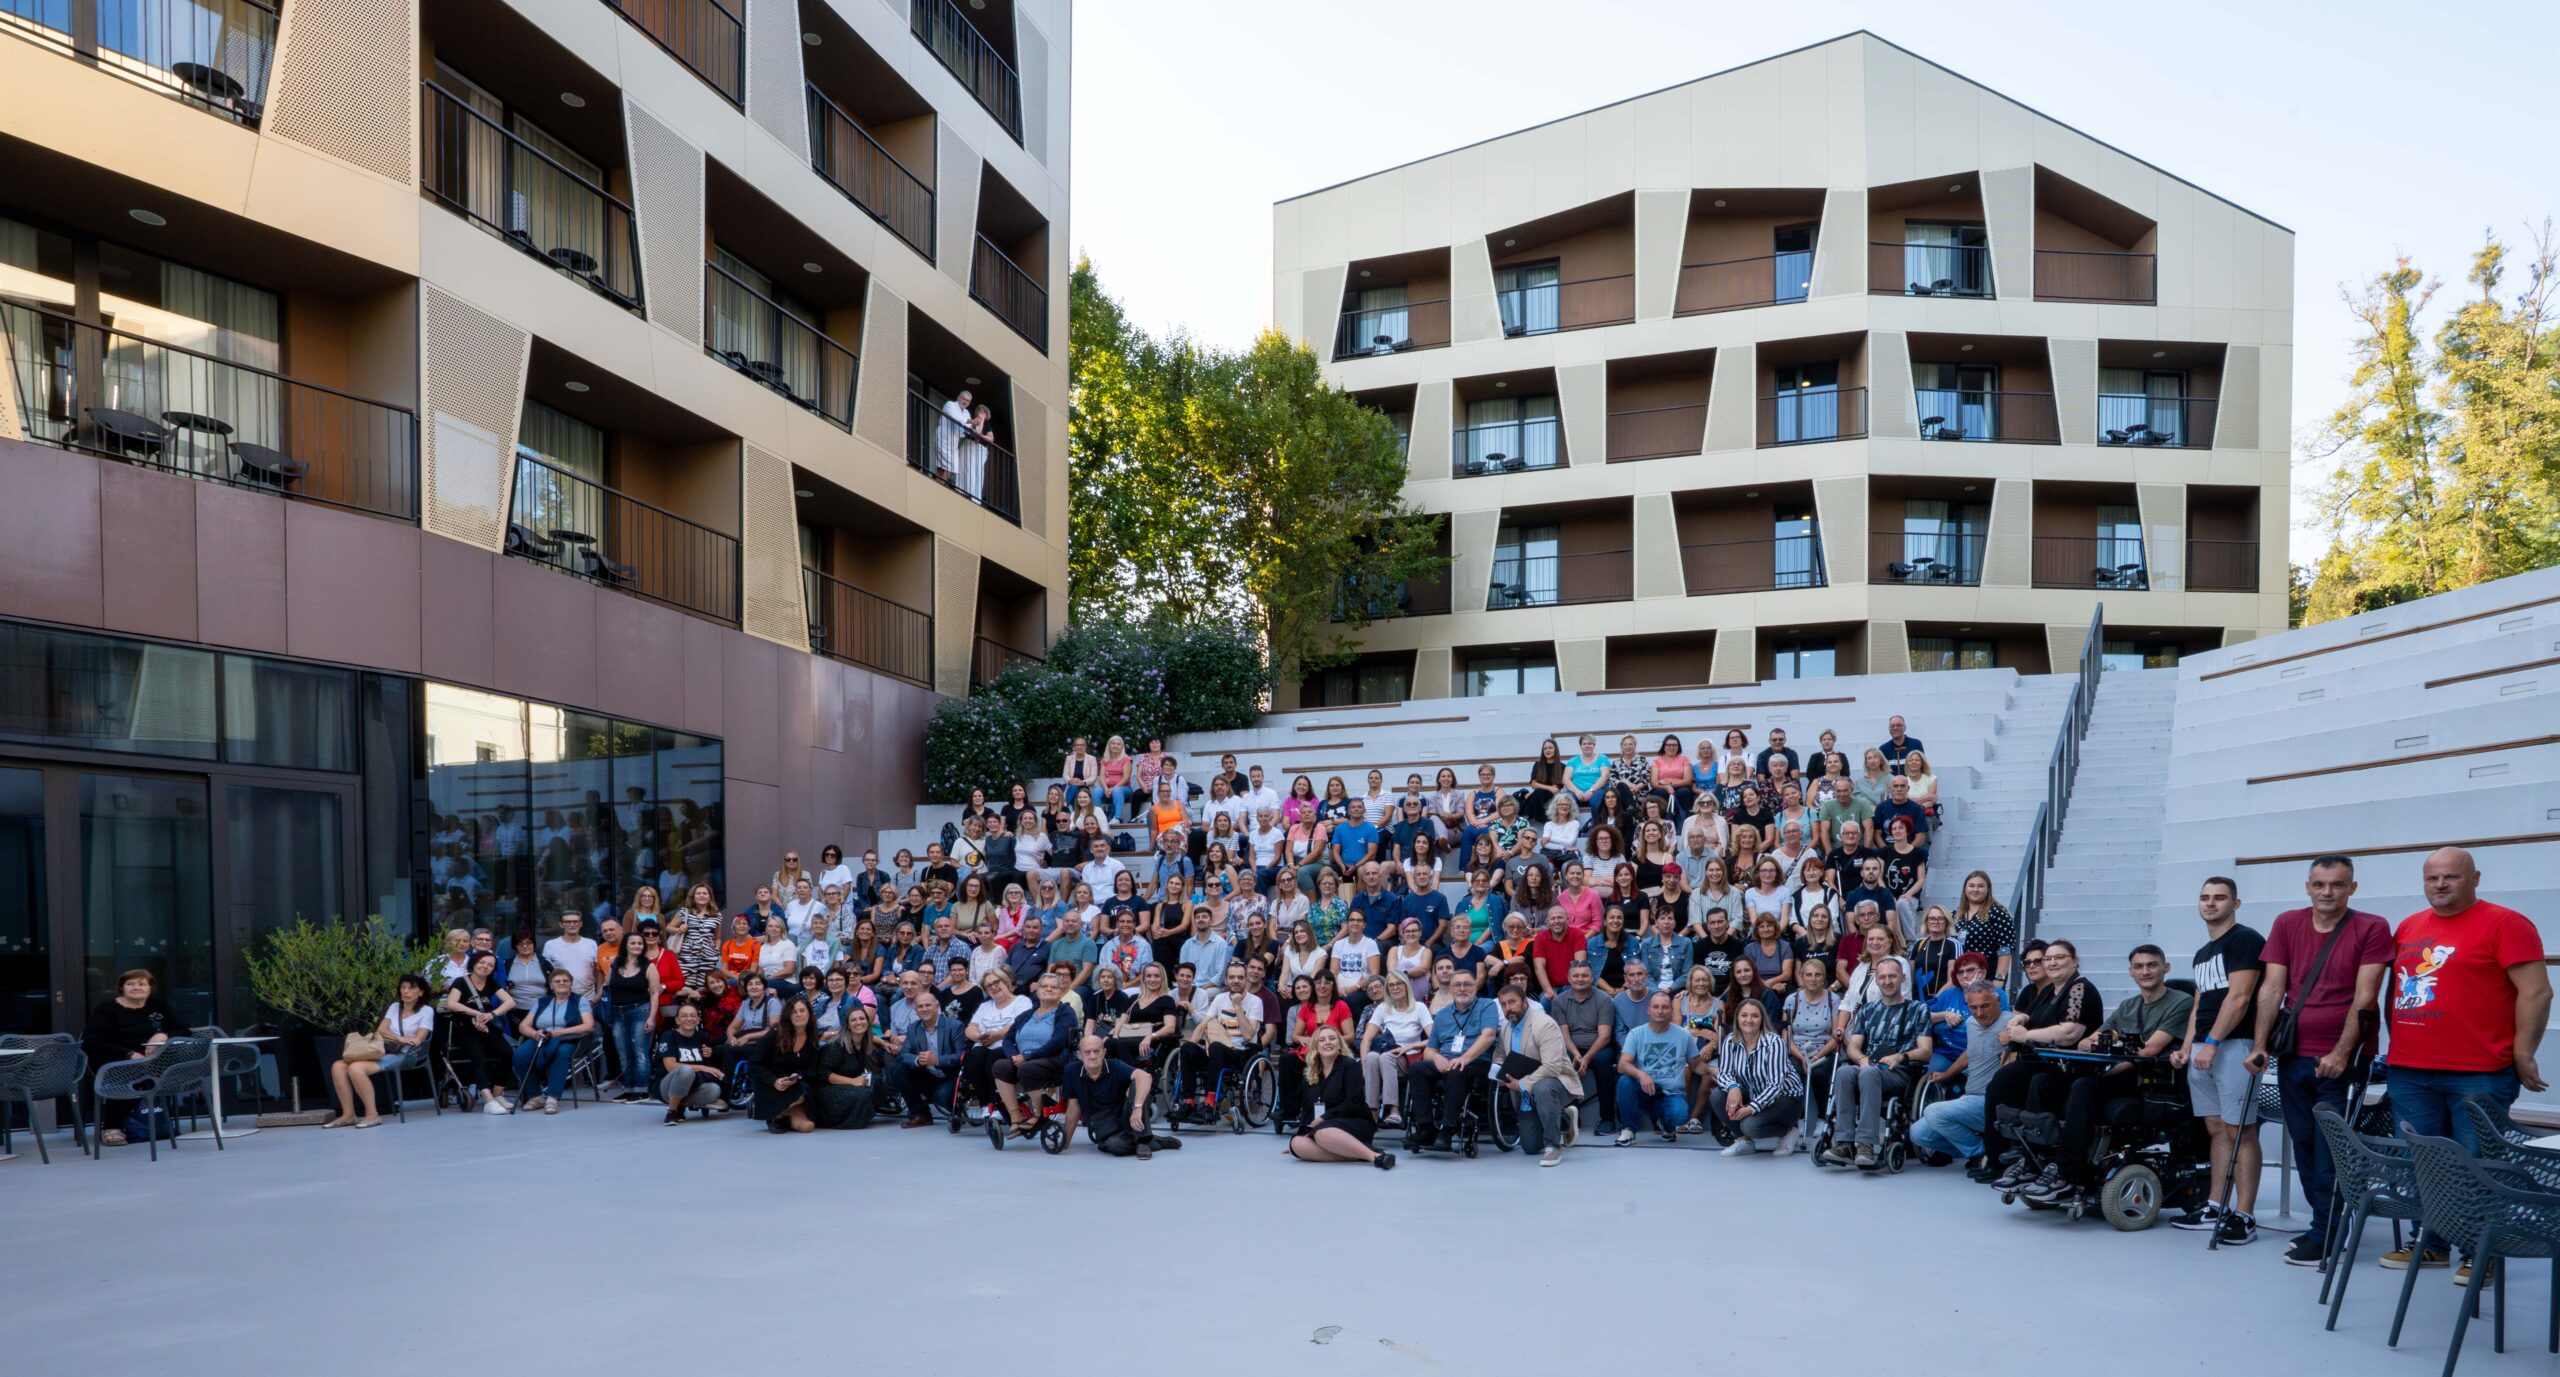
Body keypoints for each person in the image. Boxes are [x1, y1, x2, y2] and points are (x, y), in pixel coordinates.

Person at [2378, 846, 2551, 1277]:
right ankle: (2431, 1243)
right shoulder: (2410, 926)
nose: (2440, 884)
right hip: (2410, 1069)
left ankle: (2482, 1252)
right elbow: (2395, 991)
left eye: (2451, 877)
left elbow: (2537, 992)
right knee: (2426, 1162)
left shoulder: (2507, 924)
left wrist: (2523, 1051)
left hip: (2479, 1071)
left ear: (2476, 878)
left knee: (2478, 1165)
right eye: (2432, 877)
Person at [2245, 854, 2394, 1266]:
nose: (2328, 892)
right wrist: (2260, 1045)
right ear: (2308, 886)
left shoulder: (2372, 927)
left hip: (2342, 1059)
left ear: (2352, 888)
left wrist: (2342, 1053)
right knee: (2306, 1143)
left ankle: (2328, 1233)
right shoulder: (2287, 923)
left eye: (2337, 884)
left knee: (2332, 1149)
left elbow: (2366, 997)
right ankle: (2322, 1225)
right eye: (2320, 884)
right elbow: (2272, 988)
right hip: (2293, 1055)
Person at [2015, 946, 2193, 1208]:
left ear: (2165, 968)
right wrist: (2105, 1046)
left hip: (2150, 1081)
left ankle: (2066, 1171)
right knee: (2043, 1082)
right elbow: (2088, 1041)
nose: (2146, 971)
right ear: (2131, 972)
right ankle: (2035, 1162)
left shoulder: (2181, 1002)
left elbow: (2150, 1050)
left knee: (2085, 1086)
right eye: (2139, 966)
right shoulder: (2128, 1006)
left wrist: (2114, 1061)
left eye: (2152, 965)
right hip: (2117, 1072)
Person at [2171, 876, 2266, 1244]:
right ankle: (2216, 1206)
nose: (2210, 904)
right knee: (2215, 1128)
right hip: (2204, 1050)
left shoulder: (2245, 939)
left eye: (2219, 898)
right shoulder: (2202, 953)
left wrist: (2212, 1043)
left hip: (2234, 1045)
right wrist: (2188, 1045)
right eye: (2205, 898)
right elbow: (2200, 1004)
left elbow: (2239, 998)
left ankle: (2245, 1215)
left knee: (2241, 1130)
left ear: (2236, 904)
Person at [1820, 959, 1931, 1168]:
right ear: (1876, 981)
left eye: (1892, 976)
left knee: (1868, 1074)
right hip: (1870, 1067)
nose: (1887, 981)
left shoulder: (1918, 1010)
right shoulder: (1868, 1010)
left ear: (1903, 978)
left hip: (1900, 1071)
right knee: (1844, 1072)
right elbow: (1853, 1046)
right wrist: (1862, 1059)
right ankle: (1844, 1143)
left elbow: (1925, 1051)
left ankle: (1866, 1145)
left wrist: (1901, 1056)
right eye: (1882, 977)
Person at [1912, 980, 2017, 1168]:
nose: (1980, 1013)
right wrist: (1946, 1075)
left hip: (1994, 1103)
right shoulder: (1971, 1023)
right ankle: (1983, 1150)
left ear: (1997, 1000)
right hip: (1970, 1098)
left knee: (1933, 1111)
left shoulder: (2011, 1024)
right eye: (1973, 1007)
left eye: (1985, 1006)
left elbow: (2027, 1023)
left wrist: (2018, 1029)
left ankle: (1982, 1155)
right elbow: (1969, 1053)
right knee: (1918, 1134)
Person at [83, 968, 190, 1147]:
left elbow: (184, 1029)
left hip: (152, 1057)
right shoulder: (107, 1009)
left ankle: (152, 1122)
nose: (136, 987)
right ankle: (112, 1127)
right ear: (122, 988)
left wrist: (162, 1036)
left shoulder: (158, 1006)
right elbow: (91, 1041)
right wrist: (128, 1054)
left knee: (161, 1069)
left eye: (142, 984)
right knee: (127, 1071)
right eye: (130, 984)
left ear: (150, 988)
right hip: (115, 1057)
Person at [322, 974, 434, 1130]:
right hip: (383, 1049)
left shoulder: (426, 1011)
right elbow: (381, 1029)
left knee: (356, 1068)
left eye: (411, 988)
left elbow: (418, 1039)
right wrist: (400, 1038)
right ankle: (349, 1115)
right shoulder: (395, 1007)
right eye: (403, 987)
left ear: (420, 992)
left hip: (405, 1054)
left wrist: (398, 1039)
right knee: (338, 1066)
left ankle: (372, 1115)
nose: (406, 991)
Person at [1406, 969, 1501, 1153]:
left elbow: (1489, 1036)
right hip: (1446, 1061)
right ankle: (1426, 1128)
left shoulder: (1486, 1005)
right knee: (1417, 1068)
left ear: (1475, 987)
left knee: (1456, 1070)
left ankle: (1448, 1130)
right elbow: (1430, 1050)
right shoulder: (1442, 1015)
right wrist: (1437, 1057)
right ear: (1451, 989)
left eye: (1467, 984)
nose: (1462, 988)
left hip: (1476, 1060)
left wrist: (1464, 1058)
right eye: (1458, 984)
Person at [1498, 981, 1582, 1166]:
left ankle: (1553, 1147)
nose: (1507, 1008)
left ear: (1525, 1002)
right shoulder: (1505, 1025)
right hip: (1525, 1086)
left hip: (1556, 1080)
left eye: (1512, 1002)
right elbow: (1500, 1055)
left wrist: (1520, 1084)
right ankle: (1564, 1118)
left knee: (1543, 1088)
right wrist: (1497, 1074)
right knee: (1530, 1147)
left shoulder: (1544, 1024)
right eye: (1503, 1004)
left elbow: (1552, 1067)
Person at [1057, 1035, 1183, 1158]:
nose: (1092, 1056)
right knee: (1116, 1146)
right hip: (1102, 1124)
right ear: (1080, 1054)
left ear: (1104, 1052)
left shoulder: (1114, 1065)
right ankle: (1151, 1140)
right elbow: (1073, 1107)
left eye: (1096, 1051)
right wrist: (1065, 1142)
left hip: (1124, 1115)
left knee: (1137, 1083)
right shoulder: (1071, 1070)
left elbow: (1145, 1077)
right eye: (1087, 1052)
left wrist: (1137, 1108)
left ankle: (1142, 1141)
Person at [1709, 998, 1802, 1156]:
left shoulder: (1774, 1042)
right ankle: (1744, 1141)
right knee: (1717, 1095)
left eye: (1755, 1016)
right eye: (1744, 1015)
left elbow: (1774, 1086)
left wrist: (1751, 1108)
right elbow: (1724, 1073)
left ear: (1762, 1019)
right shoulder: (1730, 1041)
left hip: (1785, 1099)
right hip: (1754, 1092)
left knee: (1750, 1125)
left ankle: (1788, 1132)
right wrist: (1733, 1088)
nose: (1749, 1020)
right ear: (1737, 1019)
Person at [1614, 991, 1697, 1144]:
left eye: (1665, 1007)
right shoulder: (1636, 1033)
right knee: (1625, 1081)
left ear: (1672, 1010)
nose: (1660, 1011)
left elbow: (1696, 1065)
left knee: (1680, 1114)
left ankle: (1667, 1126)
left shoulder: (1684, 1036)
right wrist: (1641, 1075)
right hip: (1644, 1092)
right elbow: (1622, 1065)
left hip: (1671, 1094)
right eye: (1656, 1007)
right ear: (1648, 1010)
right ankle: (1628, 1130)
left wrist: (1713, 1071)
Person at [510, 968, 596, 1115]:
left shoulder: (580, 1000)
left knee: (561, 1053)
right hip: (543, 1038)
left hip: (570, 1038)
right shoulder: (542, 1002)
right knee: (520, 1055)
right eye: (557, 981)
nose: (562, 983)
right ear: (551, 986)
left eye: (565, 981)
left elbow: (588, 1025)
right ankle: (535, 1096)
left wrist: (561, 1032)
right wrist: (535, 1033)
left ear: (571, 984)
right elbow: (523, 1026)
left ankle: (552, 1098)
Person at [441, 951, 518, 1113]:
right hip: (464, 1027)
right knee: (479, 1056)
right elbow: (452, 1004)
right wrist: (476, 1014)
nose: (485, 967)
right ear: (474, 962)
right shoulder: (461, 982)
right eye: (482, 962)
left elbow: (510, 1002)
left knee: (507, 1052)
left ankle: (497, 1094)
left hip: (486, 1025)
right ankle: (487, 1098)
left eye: (490, 965)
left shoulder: (491, 983)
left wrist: (491, 1015)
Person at [1358, 972, 1432, 1124]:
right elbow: (1366, 1039)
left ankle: (1393, 1108)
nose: (1395, 987)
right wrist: (1364, 1065)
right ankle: (1371, 1111)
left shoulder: (1419, 1007)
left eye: (1399, 983)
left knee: (1385, 1057)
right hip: (1384, 1056)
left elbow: (1434, 1039)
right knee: (1372, 1056)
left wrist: (1411, 1046)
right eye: (1391, 985)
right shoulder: (1383, 1008)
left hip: (1408, 1057)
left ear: (1406, 986)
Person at [894, 989, 967, 1127]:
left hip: (950, 1075)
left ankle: (956, 1108)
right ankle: (921, 1114)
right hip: (927, 1074)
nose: (924, 1009)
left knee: (942, 1098)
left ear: (937, 1006)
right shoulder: (913, 1028)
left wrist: (937, 1061)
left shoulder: (954, 1026)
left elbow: (961, 1057)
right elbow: (904, 1054)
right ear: (915, 1011)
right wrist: (917, 1060)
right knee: (899, 1070)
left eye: (928, 1005)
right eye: (920, 1006)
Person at [654, 1002, 725, 1124]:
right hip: (667, 1086)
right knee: (685, 1070)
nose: (689, 1019)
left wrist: (709, 1055)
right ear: (677, 1020)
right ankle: (671, 1112)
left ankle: (679, 1105)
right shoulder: (669, 1036)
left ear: (698, 1020)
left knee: (714, 1089)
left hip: (693, 1086)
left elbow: (706, 1063)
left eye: (693, 1016)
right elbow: (670, 1066)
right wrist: (702, 1067)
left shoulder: (702, 1036)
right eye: (684, 1016)